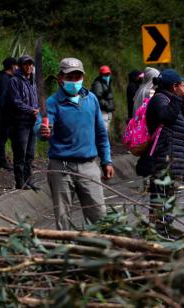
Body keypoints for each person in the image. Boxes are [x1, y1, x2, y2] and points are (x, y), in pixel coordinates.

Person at [40, 57, 114, 230]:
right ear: (60, 79)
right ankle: (65, 252)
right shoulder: (52, 103)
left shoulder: (92, 100)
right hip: (61, 168)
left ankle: (100, 251)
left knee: (99, 215)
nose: (74, 81)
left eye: (77, 77)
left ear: (83, 78)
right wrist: (43, 131)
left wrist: (107, 160)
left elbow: (101, 133)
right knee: (63, 218)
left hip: (89, 166)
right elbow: (43, 128)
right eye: (69, 77)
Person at [135, 69, 184, 233]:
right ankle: (160, 233)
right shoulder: (160, 99)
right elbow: (167, 117)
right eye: (180, 85)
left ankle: (164, 231)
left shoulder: (169, 99)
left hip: (172, 157)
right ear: (174, 86)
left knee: (167, 198)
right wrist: (178, 98)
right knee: (162, 198)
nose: (183, 87)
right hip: (164, 158)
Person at [6, 55, 39, 190]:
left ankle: (28, 179)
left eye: (31, 64)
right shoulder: (14, 81)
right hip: (20, 123)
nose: (29, 66)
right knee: (20, 153)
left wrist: (38, 110)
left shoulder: (32, 81)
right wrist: (32, 110)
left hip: (33, 122)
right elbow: (16, 101)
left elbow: (36, 98)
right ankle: (20, 181)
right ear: (20, 66)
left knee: (30, 154)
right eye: (26, 64)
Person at [0, 56, 17, 170]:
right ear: (12, 66)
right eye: (16, 65)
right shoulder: (4, 79)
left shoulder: (3, 77)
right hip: (3, 113)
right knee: (3, 137)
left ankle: (10, 160)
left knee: (6, 136)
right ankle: (3, 161)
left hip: (2, 112)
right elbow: (4, 98)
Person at [91, 65, 115, 133]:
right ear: (101, 74)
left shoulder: (106, 83)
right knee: (103, 130)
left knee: (105, 129)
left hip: (107, 111)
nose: (107, 76)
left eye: (108, 74)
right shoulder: (98, 84)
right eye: (105, 74)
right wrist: (107, 105)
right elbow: (98, 97)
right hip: (102, 111)